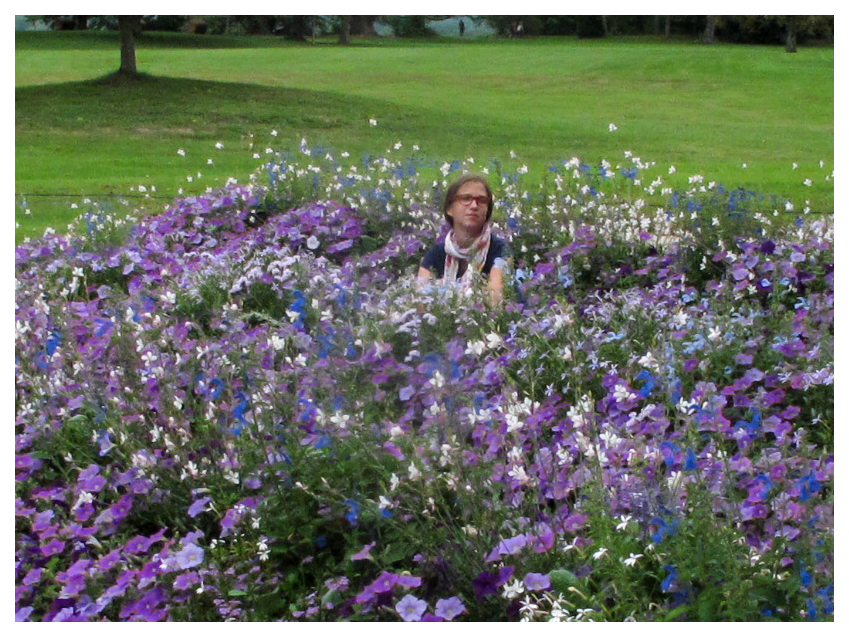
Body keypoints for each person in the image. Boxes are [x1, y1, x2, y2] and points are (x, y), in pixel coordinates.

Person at [417, 174, 512, 306]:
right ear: (450, 208)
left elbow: (494, 301)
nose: (474, 205)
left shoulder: (500, 251)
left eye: (482, 200)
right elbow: (420, 303)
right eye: (466, 198)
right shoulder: (436, 254)